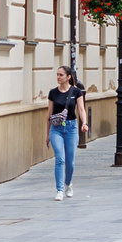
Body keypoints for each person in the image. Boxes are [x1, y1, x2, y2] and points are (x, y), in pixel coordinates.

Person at [47, 65, 86, 199]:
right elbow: (49, 114)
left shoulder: (76, 92)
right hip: (56, 129)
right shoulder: (53, 93)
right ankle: (59, 190)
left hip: (71, 128)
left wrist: (84, 123)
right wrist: (47, 134)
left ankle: (68, 184)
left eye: (61, 75)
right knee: (60, 159)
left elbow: (81, 109)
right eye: (57, 74)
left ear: (68, 77)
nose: (58, 77)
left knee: (70, 162)